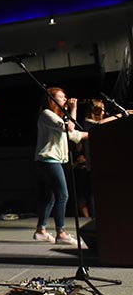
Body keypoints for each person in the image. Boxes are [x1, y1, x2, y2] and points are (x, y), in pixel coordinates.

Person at [33, 87, 88, 245]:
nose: (65, 99)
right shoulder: (46, 114)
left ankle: (41, 230)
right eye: (61, 97)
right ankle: (61, 233)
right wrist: (74, 108)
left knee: (50, 196)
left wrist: (101, 129)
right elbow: (69, 127)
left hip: (49, 160)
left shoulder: (57, 117)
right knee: (62, 195)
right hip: (48, 160)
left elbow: (74, 134)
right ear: (52, 99)